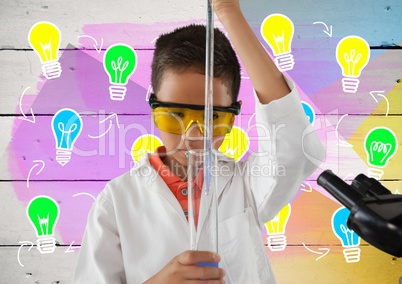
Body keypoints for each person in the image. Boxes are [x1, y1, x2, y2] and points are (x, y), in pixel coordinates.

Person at [73, 0, 325, 283]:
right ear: (153, 106)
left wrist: (228, 11)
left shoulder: (245, 184)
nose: (193, 136)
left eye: (212, 117)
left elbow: (295, 148)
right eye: (175, 114)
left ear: (234, 113)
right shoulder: (117, 201)